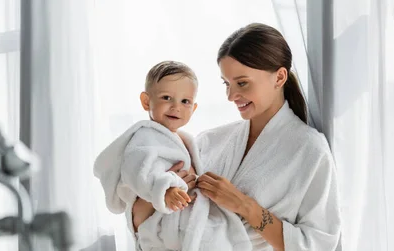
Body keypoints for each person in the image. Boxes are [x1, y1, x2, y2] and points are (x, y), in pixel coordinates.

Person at [131, 23, 342, 251]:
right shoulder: (208, 141)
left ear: (279, 77)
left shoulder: (309, 150)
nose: (231, 96)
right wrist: (156, 193)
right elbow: (141, 221)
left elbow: (318, 244)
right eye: (226, 84)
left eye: (242, 83)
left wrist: (244, 206)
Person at [93, 61, 251, 251]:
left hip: (183, 220)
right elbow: (137, 171)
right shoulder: (144, 137)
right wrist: (164, 191)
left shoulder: (186, 140)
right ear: (146, 101)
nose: (176, 107)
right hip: (163, 224)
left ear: (193, 108)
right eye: (167, 97)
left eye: (185, 101)